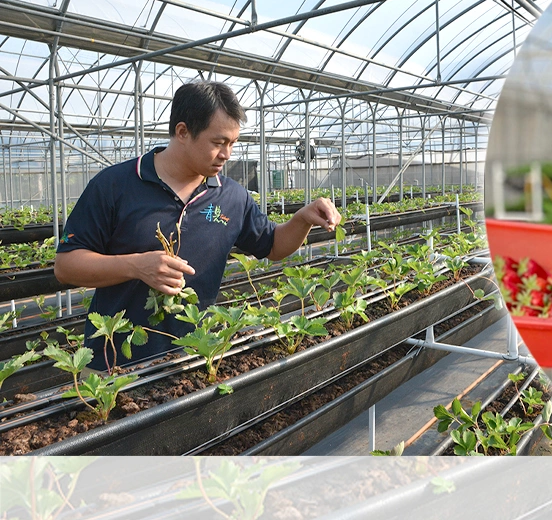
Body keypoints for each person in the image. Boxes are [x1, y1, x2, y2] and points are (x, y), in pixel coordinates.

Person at [54, 81, 342, 370]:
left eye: (232, 144)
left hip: (192, 360)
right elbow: (66, 266)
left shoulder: (232, 197)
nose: (227, 154)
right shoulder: (114, 185)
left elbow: (274, 245)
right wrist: (136, 266)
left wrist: (302, 219)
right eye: (218, 143)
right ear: (183, 132)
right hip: (113, 363)